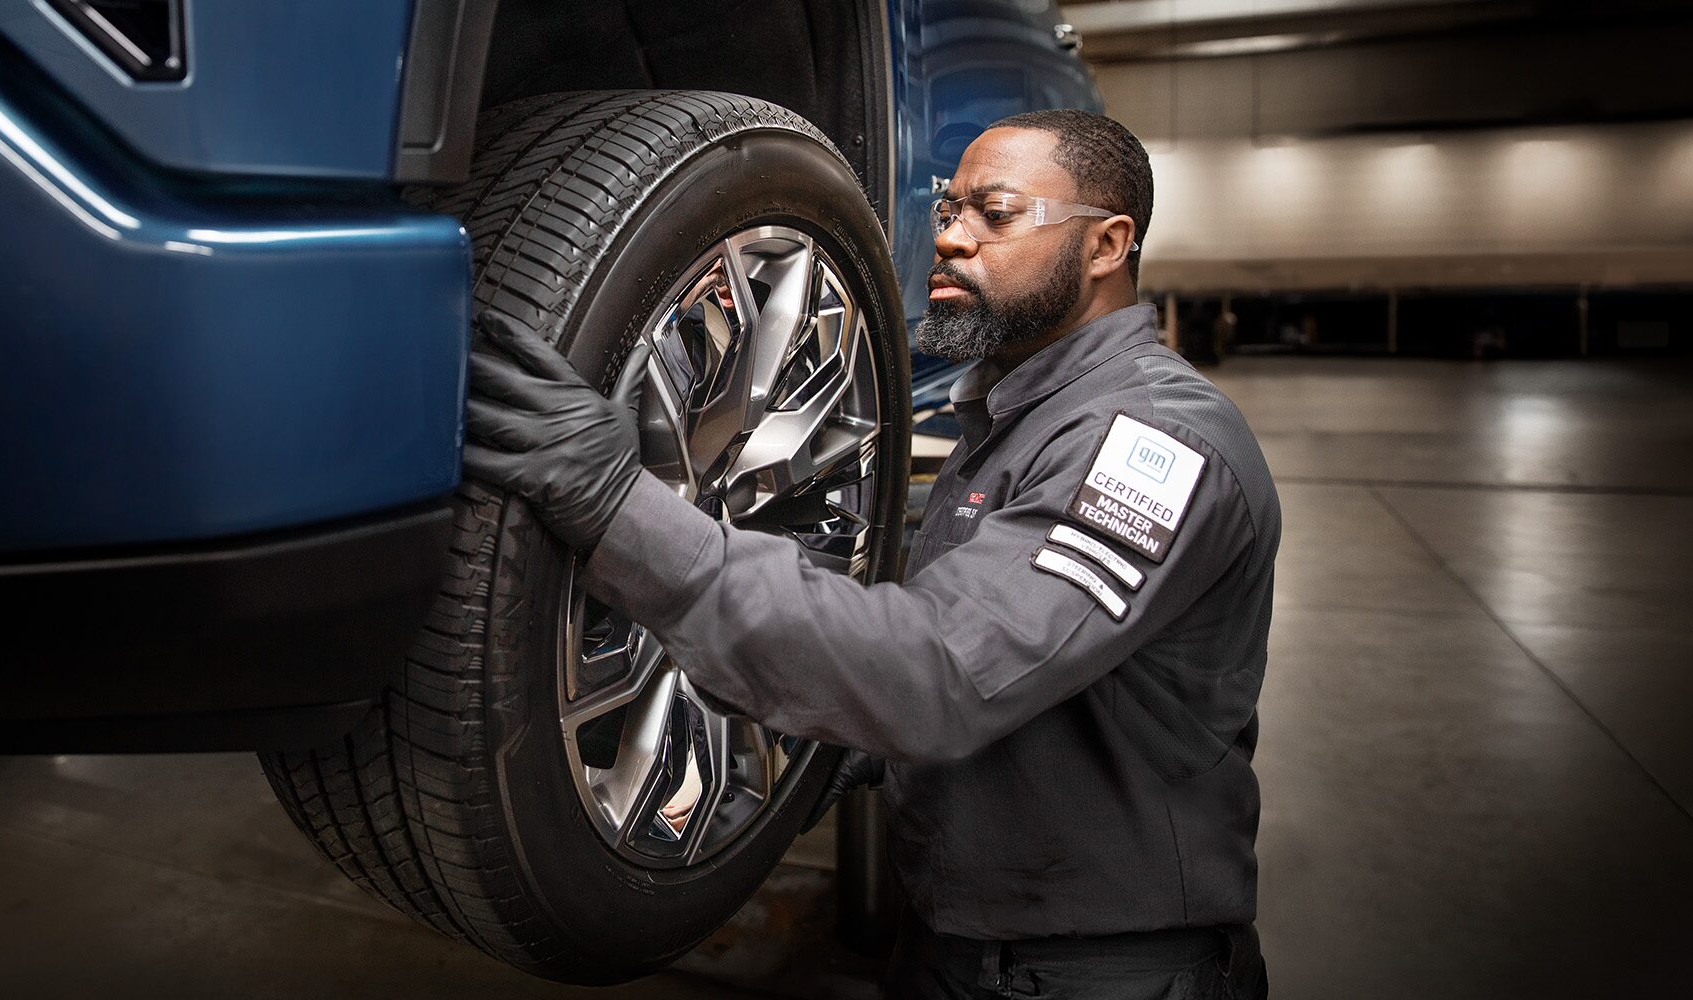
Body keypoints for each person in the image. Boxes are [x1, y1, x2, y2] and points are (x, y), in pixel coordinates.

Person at [464, 109, 1279, 1000]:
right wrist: (842, 748)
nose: (951, 240)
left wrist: (622, 509)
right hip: (951, 946)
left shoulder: (1153, 445)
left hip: (1110, 975)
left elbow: (942, 675)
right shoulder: (1019, 413)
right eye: (946, 209)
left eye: (996, 214)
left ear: (1107, 245)